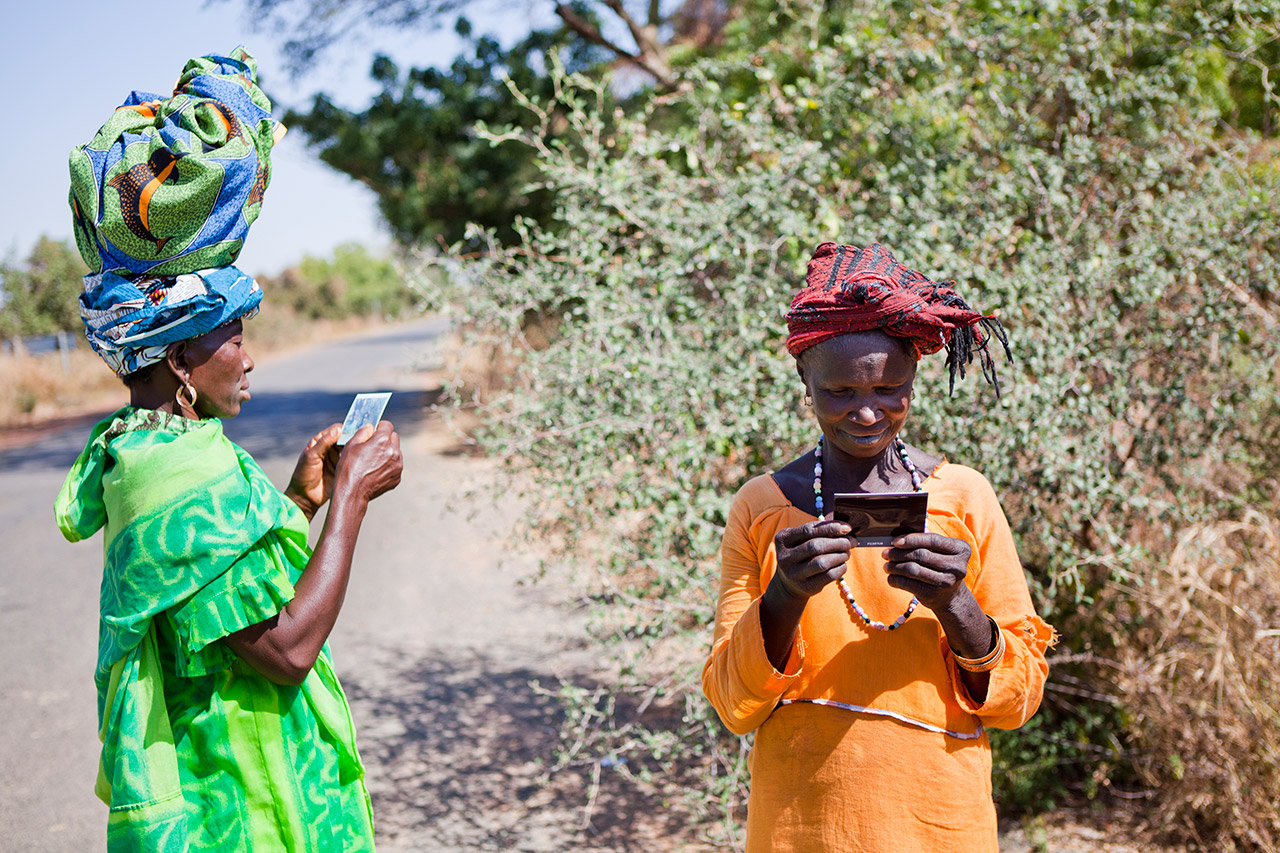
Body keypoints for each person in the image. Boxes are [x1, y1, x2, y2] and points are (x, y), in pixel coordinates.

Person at [55, 48, 402, 851]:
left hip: (230, 789)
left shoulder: (146, 450)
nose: (247, 359)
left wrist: (304, 497)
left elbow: (213, 584)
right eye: (232, 339)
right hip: (242, 805)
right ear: (179, 356)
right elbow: (283, 647)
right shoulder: (182, 470)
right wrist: (350, 500)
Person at [702, 242, 1055, 852]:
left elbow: (1018, 698)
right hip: (802, 827)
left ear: (912, 382)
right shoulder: (761, 508)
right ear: (804, 382)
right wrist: (785, 594)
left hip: (938, 823)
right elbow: (734, 706)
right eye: (841, 392)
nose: (868, 413)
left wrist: (956, 602)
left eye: (891, 389)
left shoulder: (963, 498)